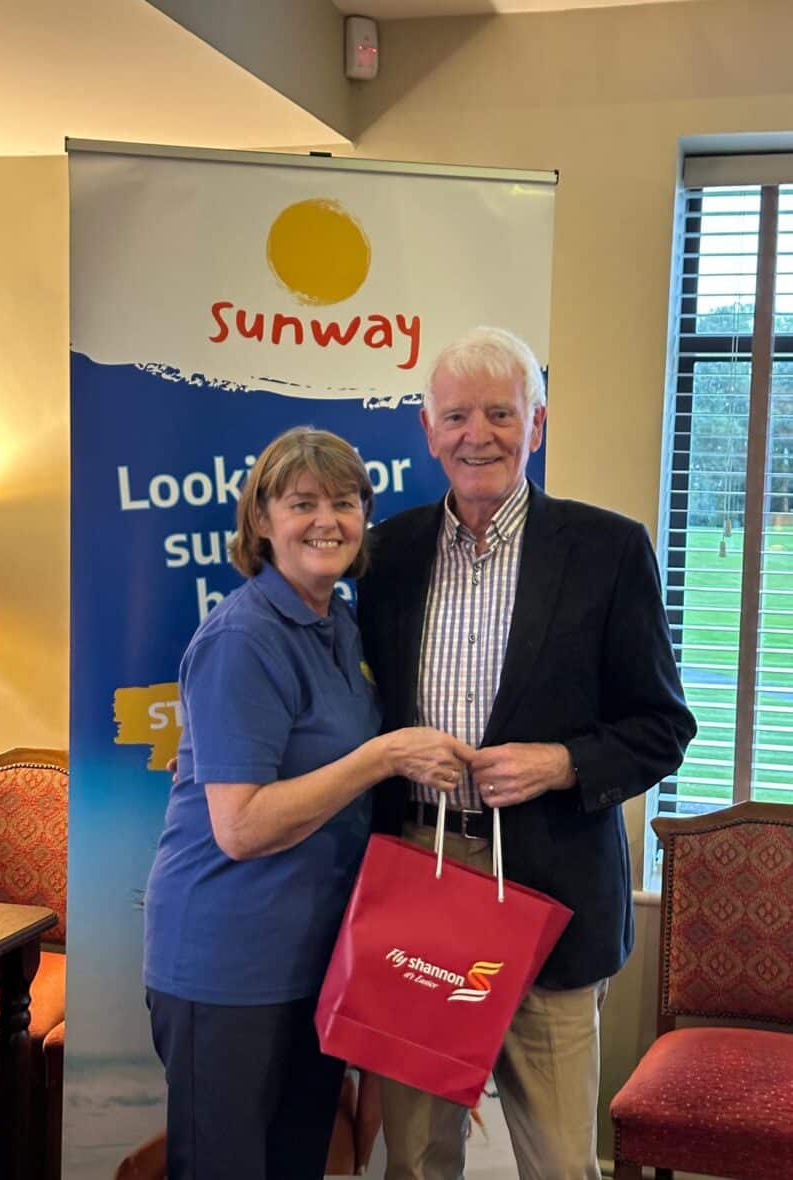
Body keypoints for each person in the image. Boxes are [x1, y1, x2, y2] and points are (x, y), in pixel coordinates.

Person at [355, 327, 696, 1180]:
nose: (478, 435)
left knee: (559, 1164)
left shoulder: (607, 550)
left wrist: (561, 763)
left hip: (551, 891)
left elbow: (662, 726)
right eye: (456, 416)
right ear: (428, 430)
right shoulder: (386, 554)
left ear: (536, 424)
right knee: (415, 1157)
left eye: (500, 414)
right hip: (419, 876)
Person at [143, 426, 474, 1180]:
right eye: (302, 504)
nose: (327, 521)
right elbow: (240, 827)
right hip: (229, 963)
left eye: (345, 503)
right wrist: (383, 756)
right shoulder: (242, 638)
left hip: (316, 958)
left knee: (300, 1162)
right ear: (261, 520)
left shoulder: (339, 623)